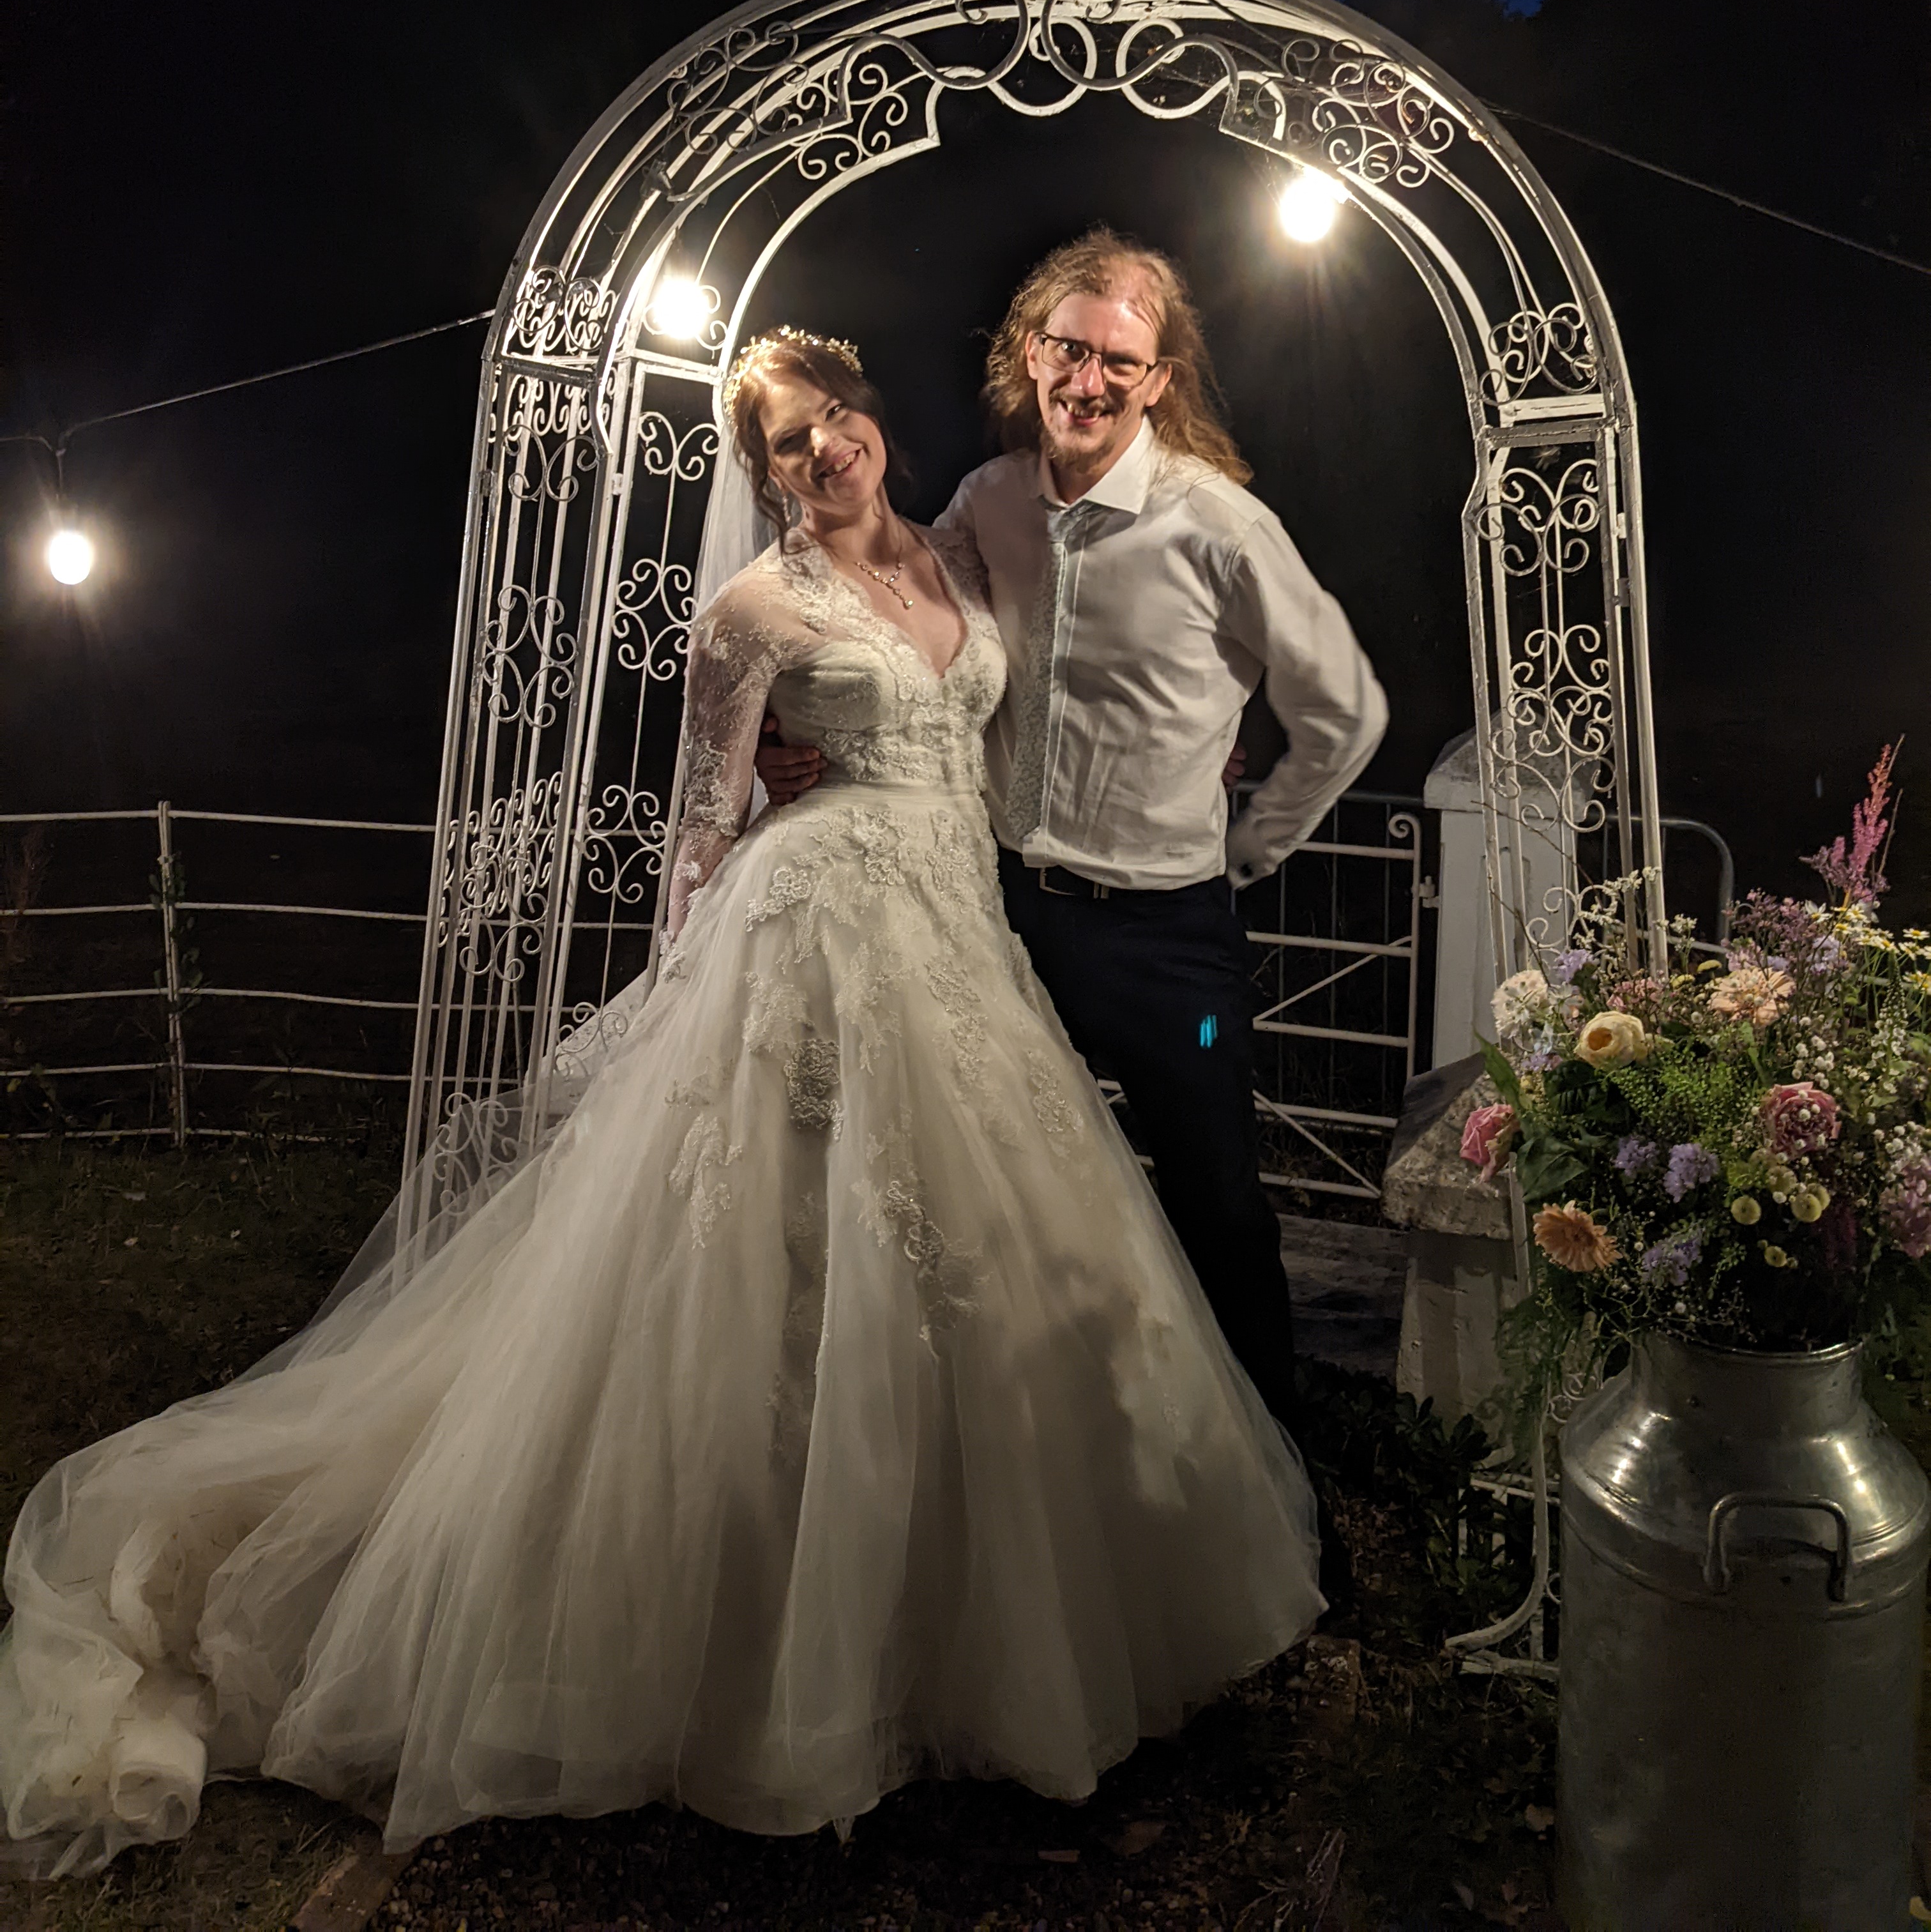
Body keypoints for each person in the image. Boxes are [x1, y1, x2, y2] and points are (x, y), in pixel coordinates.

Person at [0, 325, 1322, 1883]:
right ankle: (771, 1644)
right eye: (787, 440)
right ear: (760, 470)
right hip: (819, 933)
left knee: (1002, 1260)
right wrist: (677, 999)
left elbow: (1045, 693)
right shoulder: (751, 610)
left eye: (836, 418)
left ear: (872, 419)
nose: (824, 449)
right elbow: (702, 823)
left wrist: (1196, 737)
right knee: (793, 1271)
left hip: (964, 932)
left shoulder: (962, 558)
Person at [758, 234, 1387, 1448]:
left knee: (1217, 1206)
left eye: (1119, 361)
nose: (1088, 381)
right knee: (994, 1189)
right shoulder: (989, 501)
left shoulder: (1220, 527)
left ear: (1159, 380)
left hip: (1171, 949)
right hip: (1002, 914)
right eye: (1068, 349)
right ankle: (1041, 1450)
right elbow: (894, 618)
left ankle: (1269, 1475)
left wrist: (1247, 844)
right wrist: (790, 729)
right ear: (1030, 355)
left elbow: (1345, 711)